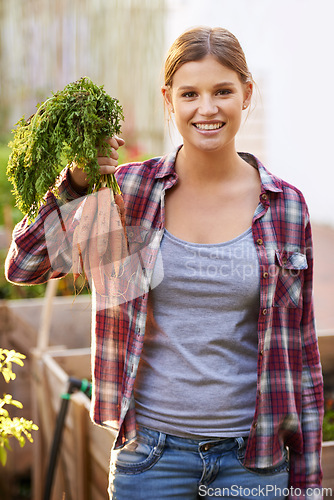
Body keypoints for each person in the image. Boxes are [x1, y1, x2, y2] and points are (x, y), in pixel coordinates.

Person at [5, 26, 324, 500]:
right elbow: (25, 265)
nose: (207, 108)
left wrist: (307, 486)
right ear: (169, 100)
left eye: (222, 91)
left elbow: (301, 355)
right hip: (150, 460)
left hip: (253, 464)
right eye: (190, 93)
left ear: (246, 94)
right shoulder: (128, 193)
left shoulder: (286, 207)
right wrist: (72, 184)